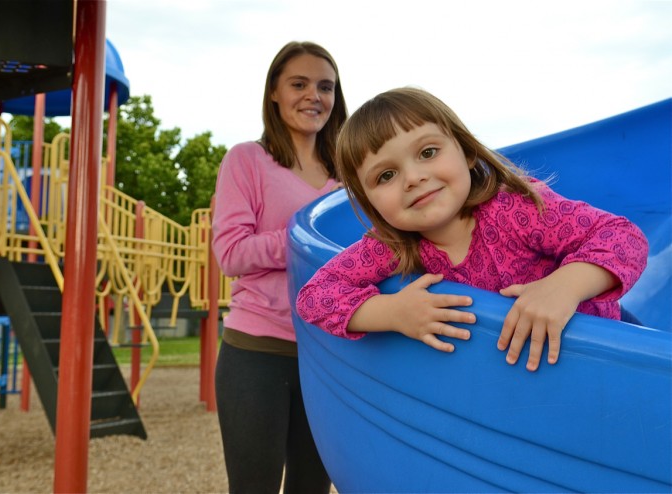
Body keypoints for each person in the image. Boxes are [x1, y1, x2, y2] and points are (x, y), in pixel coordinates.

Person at [296, 87, 648, 372]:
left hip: (609, 344)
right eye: (386, 176)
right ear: (370, 201)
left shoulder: (513, 209)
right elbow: (314, 297)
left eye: (428, 152)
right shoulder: (392, 246)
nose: (414, 177)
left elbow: (622, 237)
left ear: (465, 151)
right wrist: (394, 313)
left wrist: (563, 287)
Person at [211, 41, 347, 493]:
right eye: (299, 84)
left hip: (327, 354)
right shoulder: (246, 160)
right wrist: (301, 239)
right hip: (257, 352)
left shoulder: (347, 179)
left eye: (325, 87)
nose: (314, 96)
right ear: (274, 92)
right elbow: (230, 254)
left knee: (312, 488)